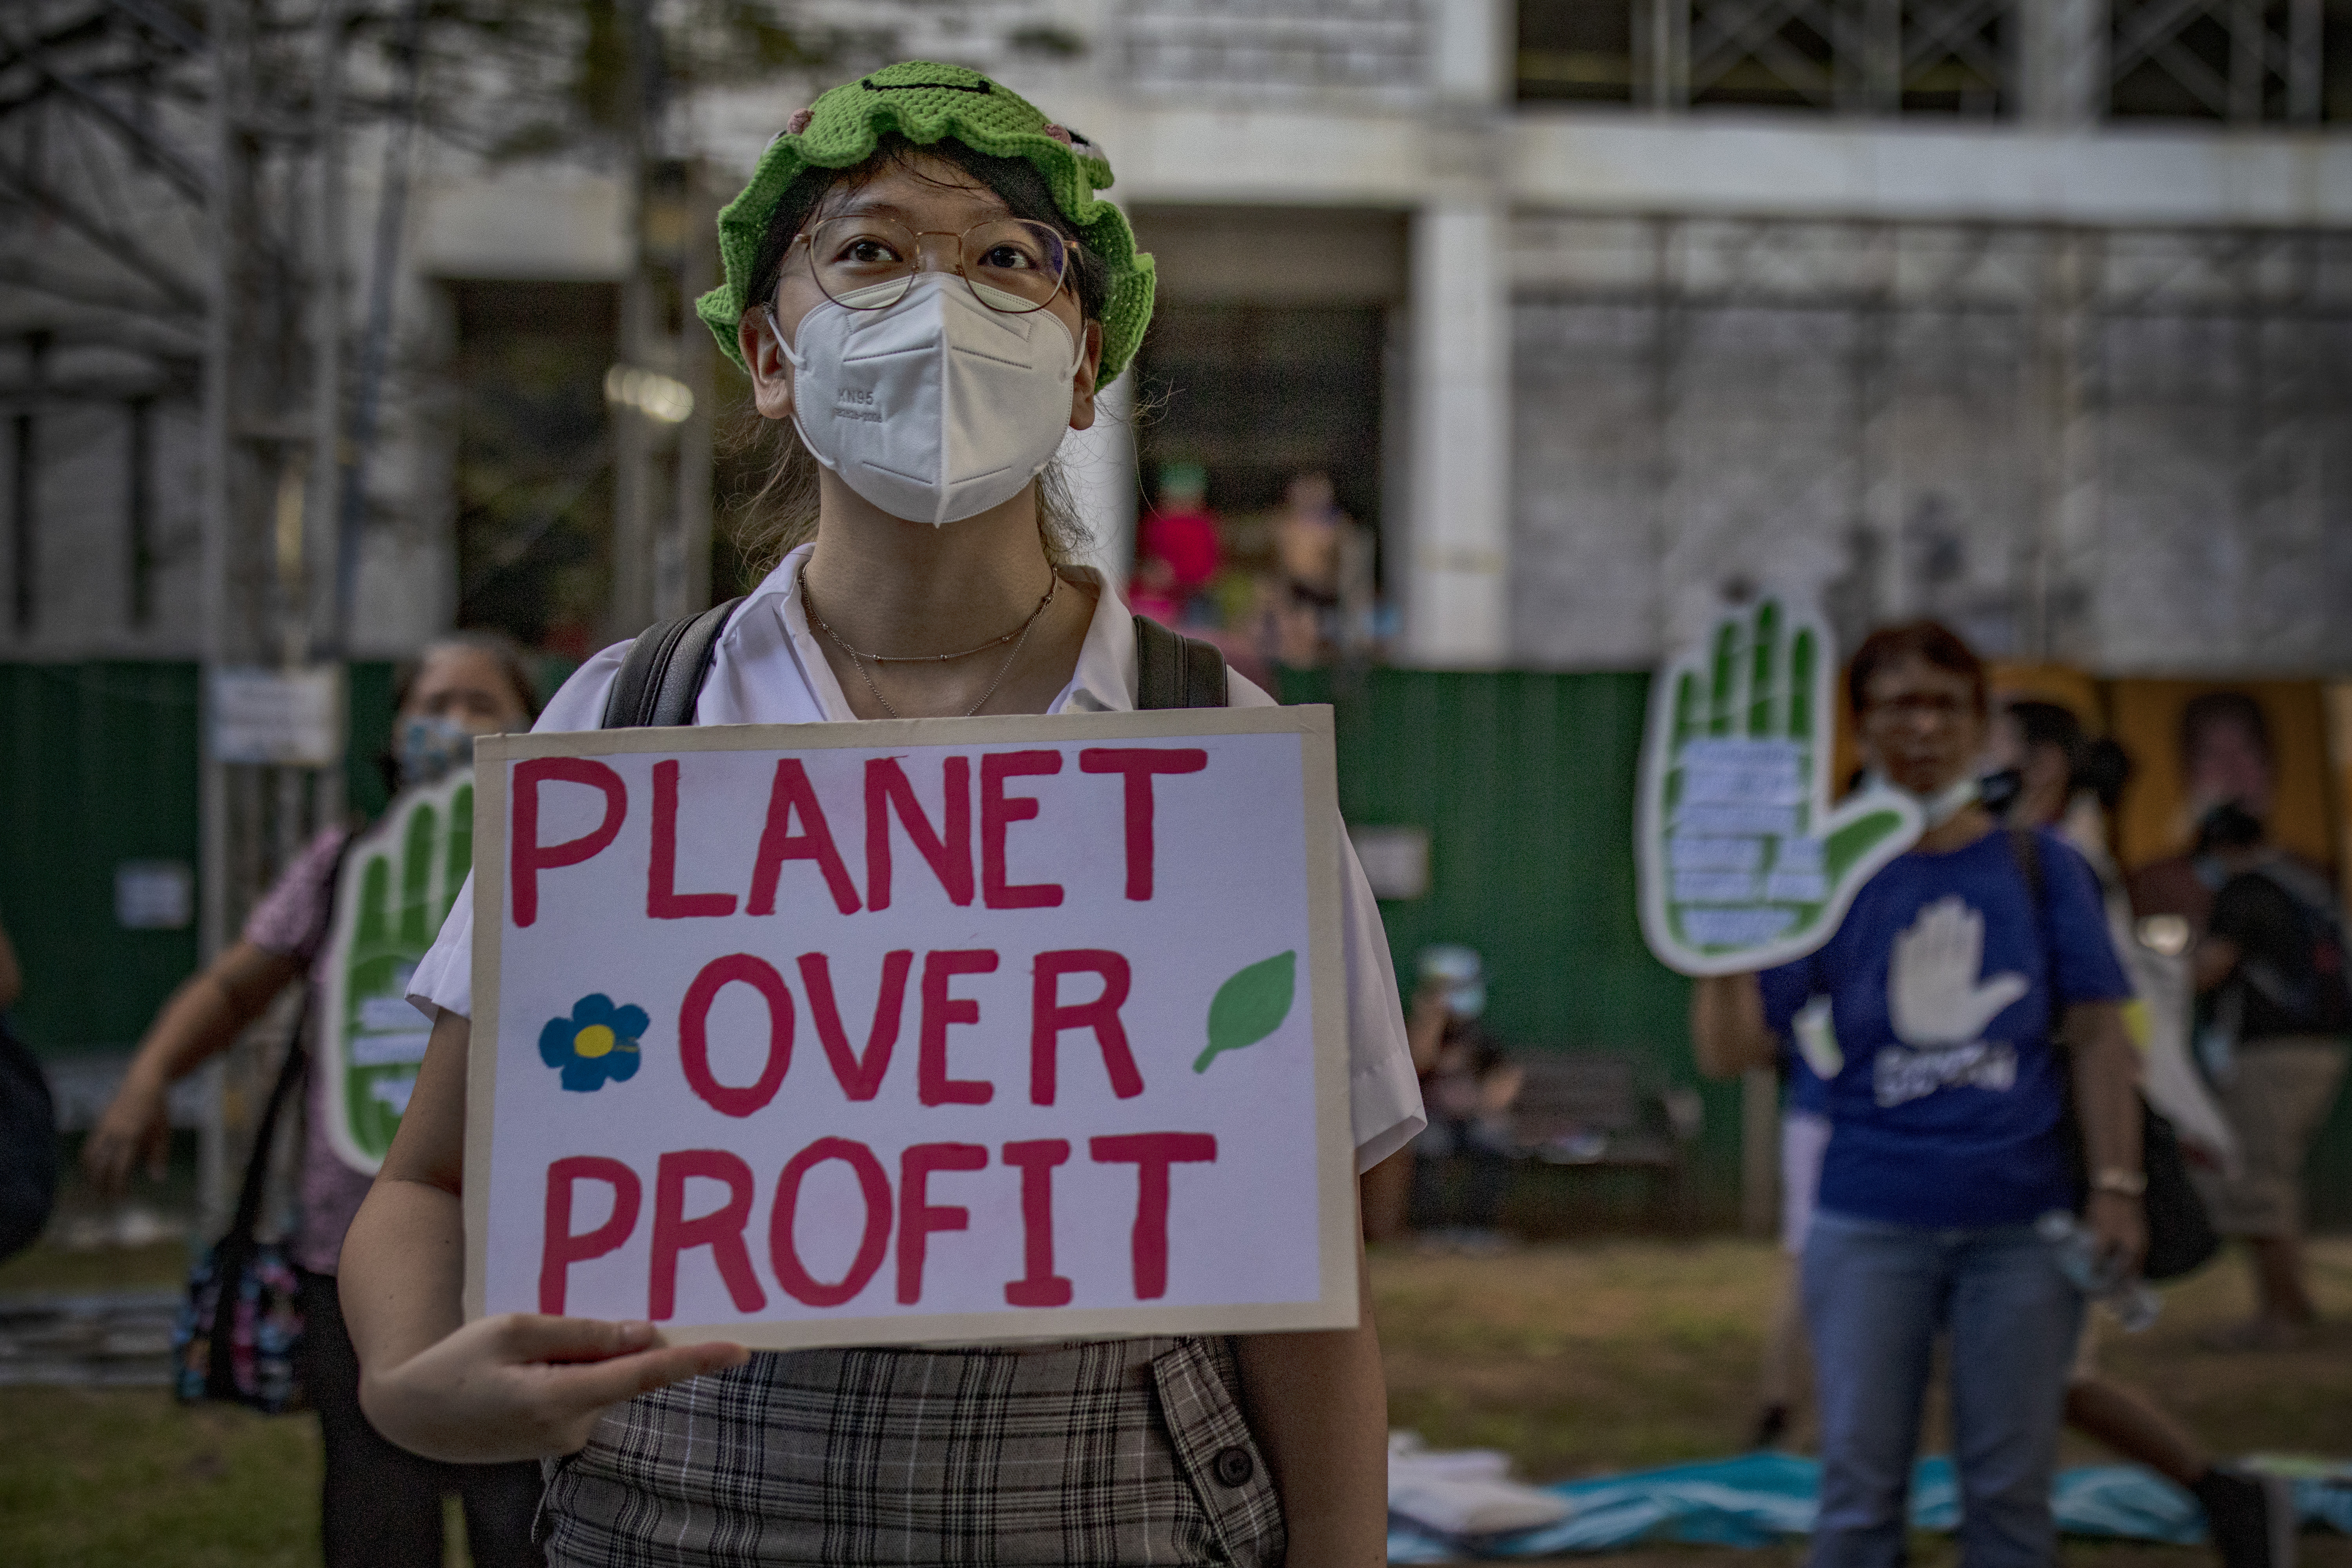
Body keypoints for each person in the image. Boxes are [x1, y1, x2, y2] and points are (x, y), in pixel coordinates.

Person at [339, 61, 1423, 1568]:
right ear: (771, 355)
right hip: (674, 1521)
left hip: (1118, 1518)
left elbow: (1305, 1274)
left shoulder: (1211, 749)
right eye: (869, 249)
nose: (940, 300)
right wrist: (407, 1382)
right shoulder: (631, 717)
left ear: (1083, 360)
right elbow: (431, 1176)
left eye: (1003, 258)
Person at [83, 633, 544, 1568]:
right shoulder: (344, 862)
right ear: (393, 730)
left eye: (479, 704)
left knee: (523, 1512)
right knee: (377, 1509)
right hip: (353, 1246)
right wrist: (146, 1080)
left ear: (531, 726)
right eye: (431, 703)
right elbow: (234, 989)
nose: (451, 725)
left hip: (523, 1246)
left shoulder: (562, 854)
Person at [1691, 621, 2144, 1568]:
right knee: (1856, 1499)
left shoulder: (2042, 865)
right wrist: (1719, 935)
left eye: (1946, 703)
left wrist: (2116, 1183)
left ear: (1979, 724)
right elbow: (1733, 1051)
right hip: (1870, 1220)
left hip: (2021, 1227)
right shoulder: (1827, 876)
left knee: (2011, 1500)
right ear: (1862, 727)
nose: (1923, 725)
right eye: (1898, 704)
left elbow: (2100, 1035)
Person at [1993, 700, 2291, 1568]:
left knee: (2034, 1372)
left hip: (2065, 1149)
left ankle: (2218, 1490)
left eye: (1990, 740)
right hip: (2029, 1147)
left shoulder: (2061, 861)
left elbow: (2107, 1030)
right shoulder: (2030, 854)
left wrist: (2114, 1178)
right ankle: (2219, 1491)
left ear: (2043, 763)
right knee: (2028, 1372)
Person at [2189, 799, 2351, 1352]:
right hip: (2319, 1049)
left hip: (2273, 1054)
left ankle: (2278, 1317)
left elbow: (2209, 970)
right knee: (2272, 1176)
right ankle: (2294, 1303)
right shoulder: (2302, 886)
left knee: (2260, 1180)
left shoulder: (2245, 893)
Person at [1405, 946, 1522, 1250]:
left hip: (1474, 1118)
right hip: (1433, 1119)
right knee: (1427, 1144)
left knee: (1493, 1139)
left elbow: (1506, 1075)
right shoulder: (1422, 1031)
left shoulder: (1481, 1035)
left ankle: (1477, 1229)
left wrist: (1486, 1102)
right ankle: (1433, 1231)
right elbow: (1419, 1061)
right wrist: (1431, 1019)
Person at [1138, 459, 1222, 617]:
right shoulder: (1157, 522)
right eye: (1175, 500)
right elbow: (1149, 561)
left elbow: (1214, 564)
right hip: (1164, 597)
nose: (1182, 508)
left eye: (1188, 501)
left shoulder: (1205, 524)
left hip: (1198, 596)